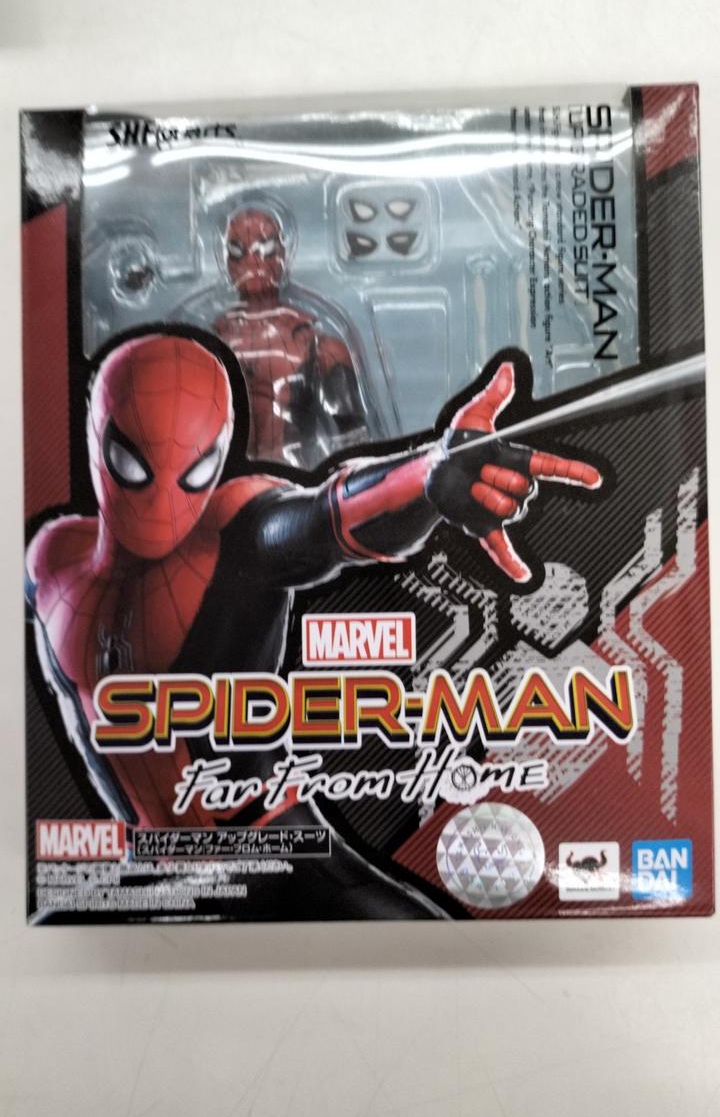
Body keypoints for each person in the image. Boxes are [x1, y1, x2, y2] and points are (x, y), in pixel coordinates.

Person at [25, 333, 601, 832]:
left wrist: (432, 475)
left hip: (274, 845)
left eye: (193, 469)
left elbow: (323, 521)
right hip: (140, 867)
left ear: (218, 451)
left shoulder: (233, 530)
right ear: (98, 433)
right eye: (133, 462)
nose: (162, 501)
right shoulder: (51, 558)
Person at [214, 207, 367, 468]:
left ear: (282, 256)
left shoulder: (319, 346)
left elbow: (354, 442)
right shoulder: (210, 344)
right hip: (227, 480)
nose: (252, 261)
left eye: (265, 248)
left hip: (298, 478)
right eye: (238, 251)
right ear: (227, 260)